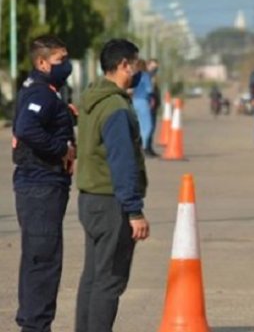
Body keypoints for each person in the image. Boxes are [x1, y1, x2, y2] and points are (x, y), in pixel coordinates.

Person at [75, 38, 150, 332]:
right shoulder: (116, 108)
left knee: (93, 277)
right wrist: (134, 211)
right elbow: (122, 162)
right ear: (123, 65)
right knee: (110, 280)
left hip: (89, 199)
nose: (136, 71)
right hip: (111, 203)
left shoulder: (92, 97)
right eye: (135, 65)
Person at [12, 35, 76, 332]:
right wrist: (60, 148)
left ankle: (34, 324)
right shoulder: (41, 94)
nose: (67, 66)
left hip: (41, 183)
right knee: (43, 260)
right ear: (41, 62)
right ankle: (35, 326)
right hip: (40, 184)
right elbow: (26, 128)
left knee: (39, 258)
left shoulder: (44, 91)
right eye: (60, 61)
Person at [131, 58, 156, 157]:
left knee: (139, 125)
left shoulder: (134, 76)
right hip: (143, 101)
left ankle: (137, 145)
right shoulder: (145, 76)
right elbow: (149, 89)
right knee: (147, 126)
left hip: (134, 101)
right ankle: (144, 146)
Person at [147, 59, 161, 154]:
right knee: (148, 127)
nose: (154, 70)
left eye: (156, 68)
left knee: (152, 127)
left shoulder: (154, 78)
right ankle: (146, 148)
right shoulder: (146, 78)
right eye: (152, 67)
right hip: (148, 105)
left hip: (154, 106)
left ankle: (149, 147)